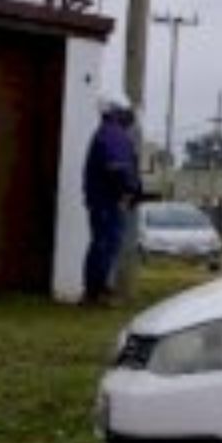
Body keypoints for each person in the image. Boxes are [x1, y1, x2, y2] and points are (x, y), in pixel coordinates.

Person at [81, 94, 143, 305]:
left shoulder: (107, 133)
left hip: (102, 198)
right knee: (106, 244)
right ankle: (97, 292)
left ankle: (96, 290)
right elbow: (118, 167)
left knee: (102, 243)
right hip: (108, 199)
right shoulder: (113, 135)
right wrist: (127, 190)